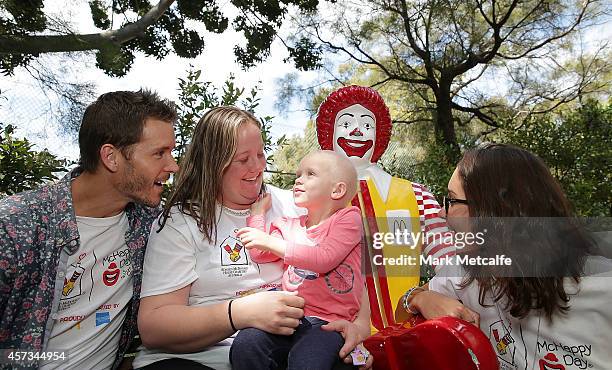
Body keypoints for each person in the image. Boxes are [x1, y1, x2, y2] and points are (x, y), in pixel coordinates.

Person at [135, 107, 373, 370]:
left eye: (260, 154)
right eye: (243, 159)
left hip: (294, 346)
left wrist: (358, 327)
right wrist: (238, 314)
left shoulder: (299, 205)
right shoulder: (181, 222)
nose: (258, 167)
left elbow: (348, 268)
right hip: (202, 359)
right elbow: (154, 327)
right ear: (213, 163)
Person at [0, 89, 179, 369]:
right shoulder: (16, 226)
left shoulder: (151, 225)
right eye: (159, 153)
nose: (174, 165)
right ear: (111, 157)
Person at [397, 143, 612, 370]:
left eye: (451, 201)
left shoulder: (602, 283)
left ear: (494, 212)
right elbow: (400, 312)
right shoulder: (467, 270)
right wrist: (420, 299)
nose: (442, 212)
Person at [316, 85, 456, 329]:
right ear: (329, 132)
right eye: (346, 124)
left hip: (407, 339)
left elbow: (451, 264)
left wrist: (424, 296)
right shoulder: (310, 201)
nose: (358, 131)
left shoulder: (416, 195)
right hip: (334, 339)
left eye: (368, 125)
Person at [230, 150, 365, 369]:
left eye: (310, 174)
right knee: (247, 344)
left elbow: (324, 258)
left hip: (330, 324)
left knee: (306, 362)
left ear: (337, 190)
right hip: (292, 317)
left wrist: (267, 240)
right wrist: (257, 215)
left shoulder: (348, 219)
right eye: (298, 174)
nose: (298, 180)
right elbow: (259, 253)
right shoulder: (289, 224)